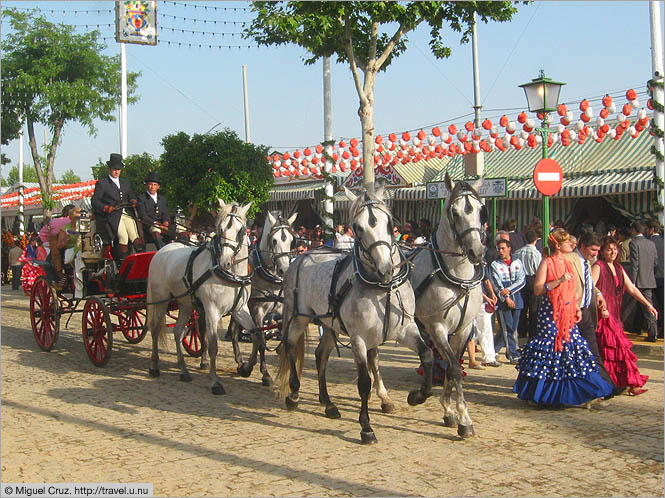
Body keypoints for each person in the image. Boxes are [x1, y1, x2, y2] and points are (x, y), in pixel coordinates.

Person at [513, 228, 614, 408]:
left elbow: (573, 290)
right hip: (550, 314)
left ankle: (581, 393)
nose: (571, 244)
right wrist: (558, 281)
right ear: (558, 246)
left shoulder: (569, 264)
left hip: (568, 314)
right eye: (568, 242)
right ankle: (541, 394)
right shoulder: (547, 262)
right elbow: (537, 289)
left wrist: (576, 307)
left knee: (574, 351)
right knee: (550, 352)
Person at [592, 236, 655, 396]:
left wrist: (648, 305)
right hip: (604, 315)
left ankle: (626, 382)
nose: (613, 252)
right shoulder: (598, 266)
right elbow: (591, 288)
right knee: (611, 351)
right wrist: (600, 302)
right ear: (603, 251)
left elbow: (632, 289)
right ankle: (612, 383)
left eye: (615, 249)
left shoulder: (618, 267)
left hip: (615, 314)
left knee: (620, 352)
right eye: (609, 249)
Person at [565, 231, 615, 390]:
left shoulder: (586, 262)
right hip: (571, 312)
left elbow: (588, 285)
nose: (595, 254)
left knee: (593, 350)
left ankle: (606, 386)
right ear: (582, 246)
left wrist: (598, 294)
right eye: (593, 250)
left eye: (597, 251)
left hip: (585, 311)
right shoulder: (570, 259)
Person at [91, 153, 142, 265]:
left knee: (134, 235)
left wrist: (133, 200)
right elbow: (95, 201)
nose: (116, 172)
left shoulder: (125, 183)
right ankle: (122, 264)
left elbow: (131, 195)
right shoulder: (103, 183)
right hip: (113, 216)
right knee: (123, 237)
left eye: (118, 169)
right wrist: (105, 207)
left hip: (126, 212)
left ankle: (139, 261)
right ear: (110, 169)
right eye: (114, 169)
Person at [490, 238, 525, 364]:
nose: (500, 251)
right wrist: (506, 298)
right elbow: (497, 284)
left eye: (503, 248)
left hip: (517, 299)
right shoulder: (495, 265)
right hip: (503, 302)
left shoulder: (518, 262)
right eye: (499, 249)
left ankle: (492, 349)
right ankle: (513, 354)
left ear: (509, 248)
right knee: (507, 328)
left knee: (512, 328)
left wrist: (509, 291)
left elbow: (522, 280)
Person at [627, 221, 658, 342]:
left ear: (634, 230)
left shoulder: (634, 243)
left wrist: (632, 282)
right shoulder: (651, 243)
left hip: (639, 280)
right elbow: (655, 262)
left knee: (645, 306)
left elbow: (635, 264)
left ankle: (652, 332)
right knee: (644, 306)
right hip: (649, 278)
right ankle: (638, 328)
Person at [514, 230, 542, 339]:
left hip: (521, 280)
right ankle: (532, 333)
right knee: (534, 308)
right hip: (533, 279)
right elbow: (538, 269)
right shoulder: (536, 254)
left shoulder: (517, 252)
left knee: (522, 307)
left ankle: (522, 332)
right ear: (536, 239)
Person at [136, 171, 170, 249]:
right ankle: (161, 251)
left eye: (155, 185)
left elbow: (165, 213)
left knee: (181, 229)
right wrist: (156, 223)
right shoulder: (141, 198)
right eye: (150, 184)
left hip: (162, 225)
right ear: (147, 185)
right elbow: (143, 216)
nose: (152, 187)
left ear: (158, 187)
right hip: (149, 225)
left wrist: (166, 222)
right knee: (156, 229)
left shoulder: (162, 199)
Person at [646, 220, 664, 338]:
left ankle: (654, 331)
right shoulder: (663, 242)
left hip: (652, 278)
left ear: (652, 229)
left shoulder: (648, 243)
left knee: (652, 306)